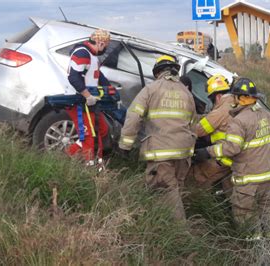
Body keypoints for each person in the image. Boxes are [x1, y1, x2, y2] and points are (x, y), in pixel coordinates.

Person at [194, 78, 270, 238]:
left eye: (233, 97)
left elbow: (231, 148)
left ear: (239, 98)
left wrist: (207, 152)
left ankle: (253, 253)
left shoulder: (239, 121)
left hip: (249, 180)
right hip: (269, 176)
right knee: (269, 214)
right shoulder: (267, 116)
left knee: (246, 216)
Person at [118, 55, 196, 222]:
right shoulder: (186, 92)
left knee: (166, 194)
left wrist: (125, 145)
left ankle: (180, 237)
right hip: (184, 153)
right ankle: (162, 223)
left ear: (157, 72)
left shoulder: (151, 89)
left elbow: (134, 116)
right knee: (175, 191)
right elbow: (192, 123)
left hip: (161, 153)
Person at [65, 29, 112, 167]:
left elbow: (98, 76)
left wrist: (110, 89)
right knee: (88, 136)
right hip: (79, 101)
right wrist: (87, 95)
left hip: (89, 101)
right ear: (100, 42)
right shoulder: (82, 53)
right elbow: (73, 77)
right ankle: (89, 167)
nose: (105, 48)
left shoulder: (93, 56)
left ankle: (70, 154)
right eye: (105, 45)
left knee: (102, 130)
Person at [192, 75, 234, 189]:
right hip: (236, 158)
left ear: (218, 96)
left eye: (211, 99)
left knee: (197, 177)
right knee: (229, 189)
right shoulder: (234, 104)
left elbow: (199, 130)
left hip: (223, 157)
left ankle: (193, 202)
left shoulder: (222, 109)